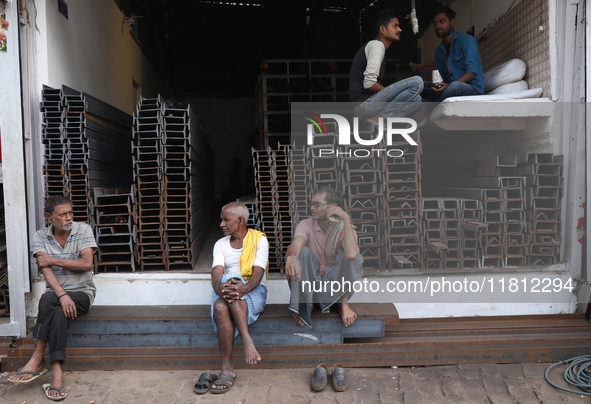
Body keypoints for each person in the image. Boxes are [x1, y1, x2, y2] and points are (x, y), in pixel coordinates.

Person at [8, 195, 97, 401]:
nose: (68, 218)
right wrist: (63, 294)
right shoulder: (40, 236)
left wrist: (52, 259)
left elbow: (86, 264)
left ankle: (38, 356)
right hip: (58, 295)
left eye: (70, 213)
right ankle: (57, 370)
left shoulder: (83, 229)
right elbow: (46, 269)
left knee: (48, 300)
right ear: (49, 217)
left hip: (82, 292)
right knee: (55, 307)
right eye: (62, 214)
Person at [202, 202, 268, 395]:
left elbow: (257, 275)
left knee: (230, 289)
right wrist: (225, 288)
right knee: (222, 301)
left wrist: (242, 287)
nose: (221, 224)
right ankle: (244, 344)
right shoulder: (220, 244)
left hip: (253, 291)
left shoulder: (259, 240)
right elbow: (216, 277)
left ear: (240, 220)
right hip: (226, 291)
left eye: (225, 219)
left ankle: (227, 368)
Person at [285, 187, 364, 328]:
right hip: (313, 284)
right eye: (311, 204)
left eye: (317, 204)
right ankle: (305, 305)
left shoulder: (343, 228)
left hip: (335, 285)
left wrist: (345, 218)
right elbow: (297, 242)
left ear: (333, 207)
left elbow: (351, 254)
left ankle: (342, 303)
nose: (312, 208)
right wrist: (292, 257)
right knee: (300, 254)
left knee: (355, 258)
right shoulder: (306, 224)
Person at [349, 10, 425, 126]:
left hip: (369, 106)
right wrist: (394, 93)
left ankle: (379, 119)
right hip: (364, 106)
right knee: (417, 82)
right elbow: (369, 84)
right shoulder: (377, 45)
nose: (400, 29)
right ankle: (380, 118)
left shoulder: (378, 47)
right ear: (383, 29)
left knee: (416, 100)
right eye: (395, 26)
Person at [420, 6, 484, 102]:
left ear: (452, 22)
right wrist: (438, 86)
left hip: (472, 88)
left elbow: (471, 72)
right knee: (420, 86)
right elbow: (439, 79)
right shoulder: (438, 52)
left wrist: (449, 86)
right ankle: (429, 105)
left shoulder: (467, 40)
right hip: (449, 89)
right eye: (435, 23)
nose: (438, 26)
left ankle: (432, 106)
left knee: (455, 86)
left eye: (442, 21)